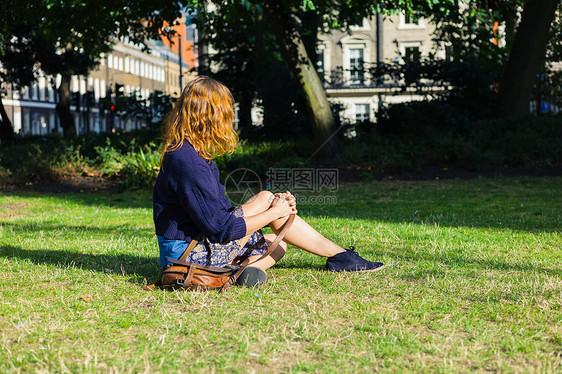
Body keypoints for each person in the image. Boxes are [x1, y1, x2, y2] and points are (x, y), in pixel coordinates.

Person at [153, 76, 384, 287]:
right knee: (277, 239)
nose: (229, 118)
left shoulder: (190, 152)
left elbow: (218, 216)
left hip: (192, 243)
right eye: (226, 112)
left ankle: (246, 269)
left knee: (272, 220)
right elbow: (220, 230)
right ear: (211, 115)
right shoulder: (188, 161)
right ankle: (237, 274)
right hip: (185, 255)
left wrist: (275, 205)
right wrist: (274, 214)